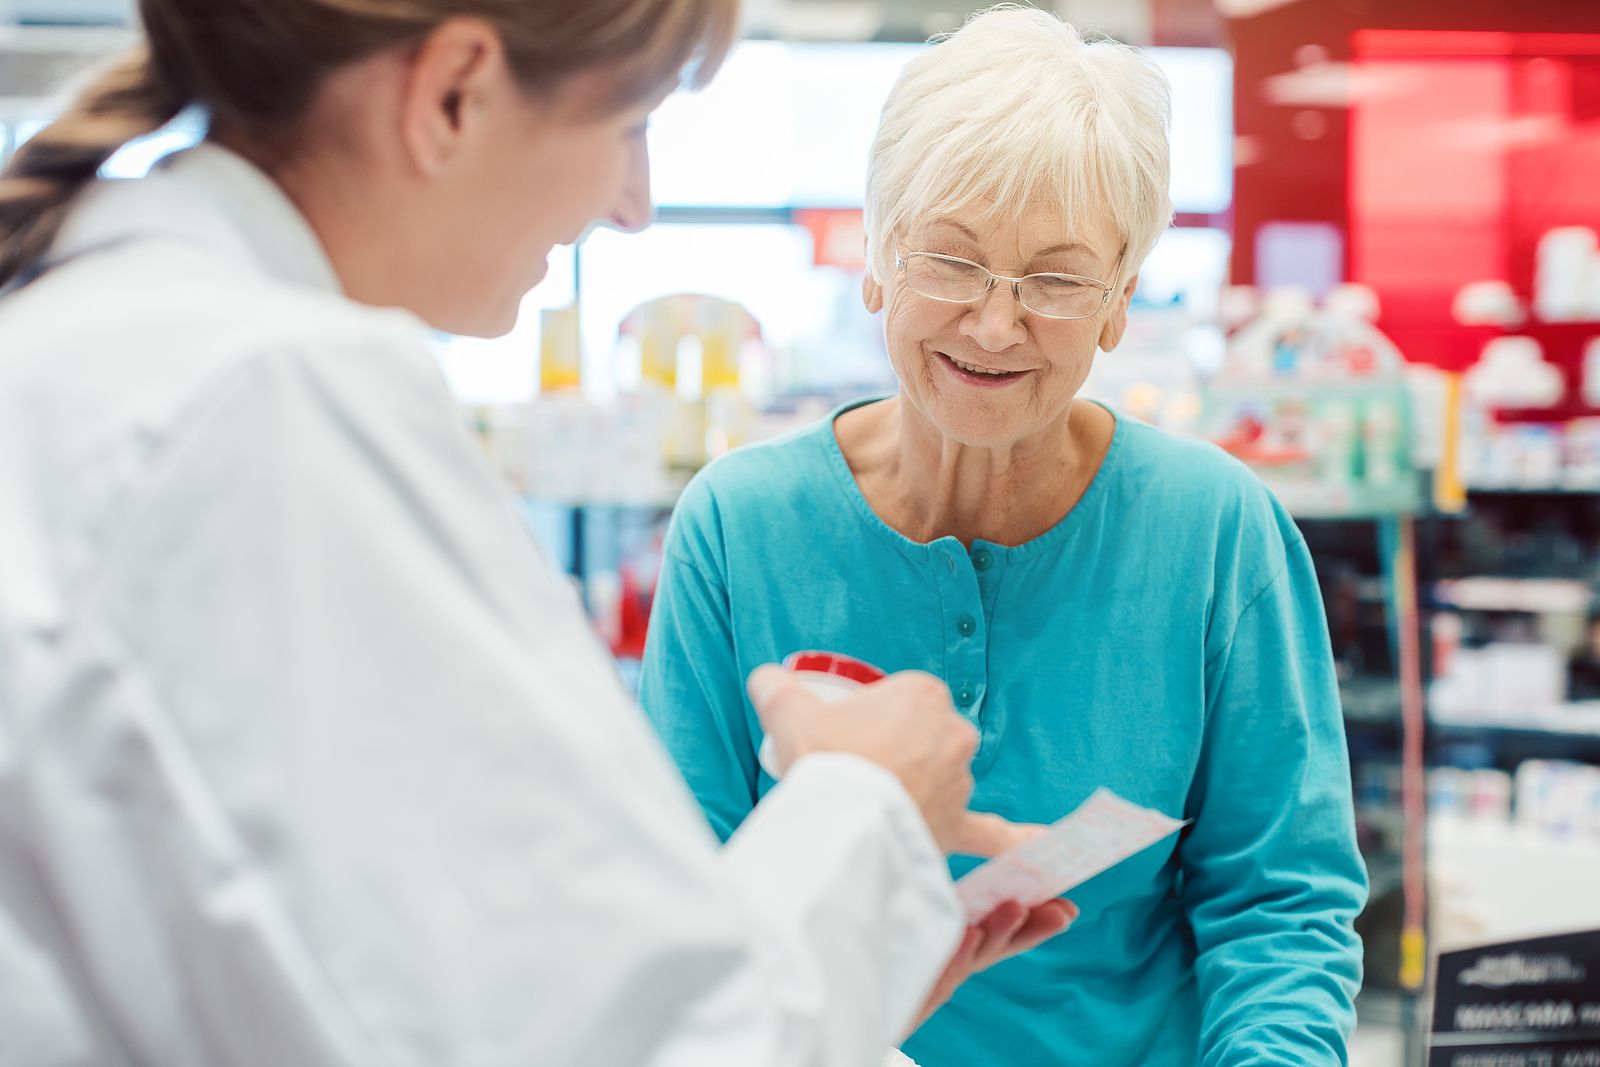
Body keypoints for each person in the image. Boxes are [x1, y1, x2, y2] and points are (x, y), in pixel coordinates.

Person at [0, 2, 1073, 1064]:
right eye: (630, 126)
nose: (635, 206)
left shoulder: (121, 341)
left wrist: (838, 966)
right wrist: (867, 802)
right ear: (455, 93)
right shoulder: (267, 398)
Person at [640, 7, 1370, 1066]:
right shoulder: (741, 524)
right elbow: (685, 885)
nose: (993, 323)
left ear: (1120, 302)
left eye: (1057, 280)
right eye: (951, 261)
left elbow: (1279, 903)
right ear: (877, 260)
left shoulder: (1214, 528)